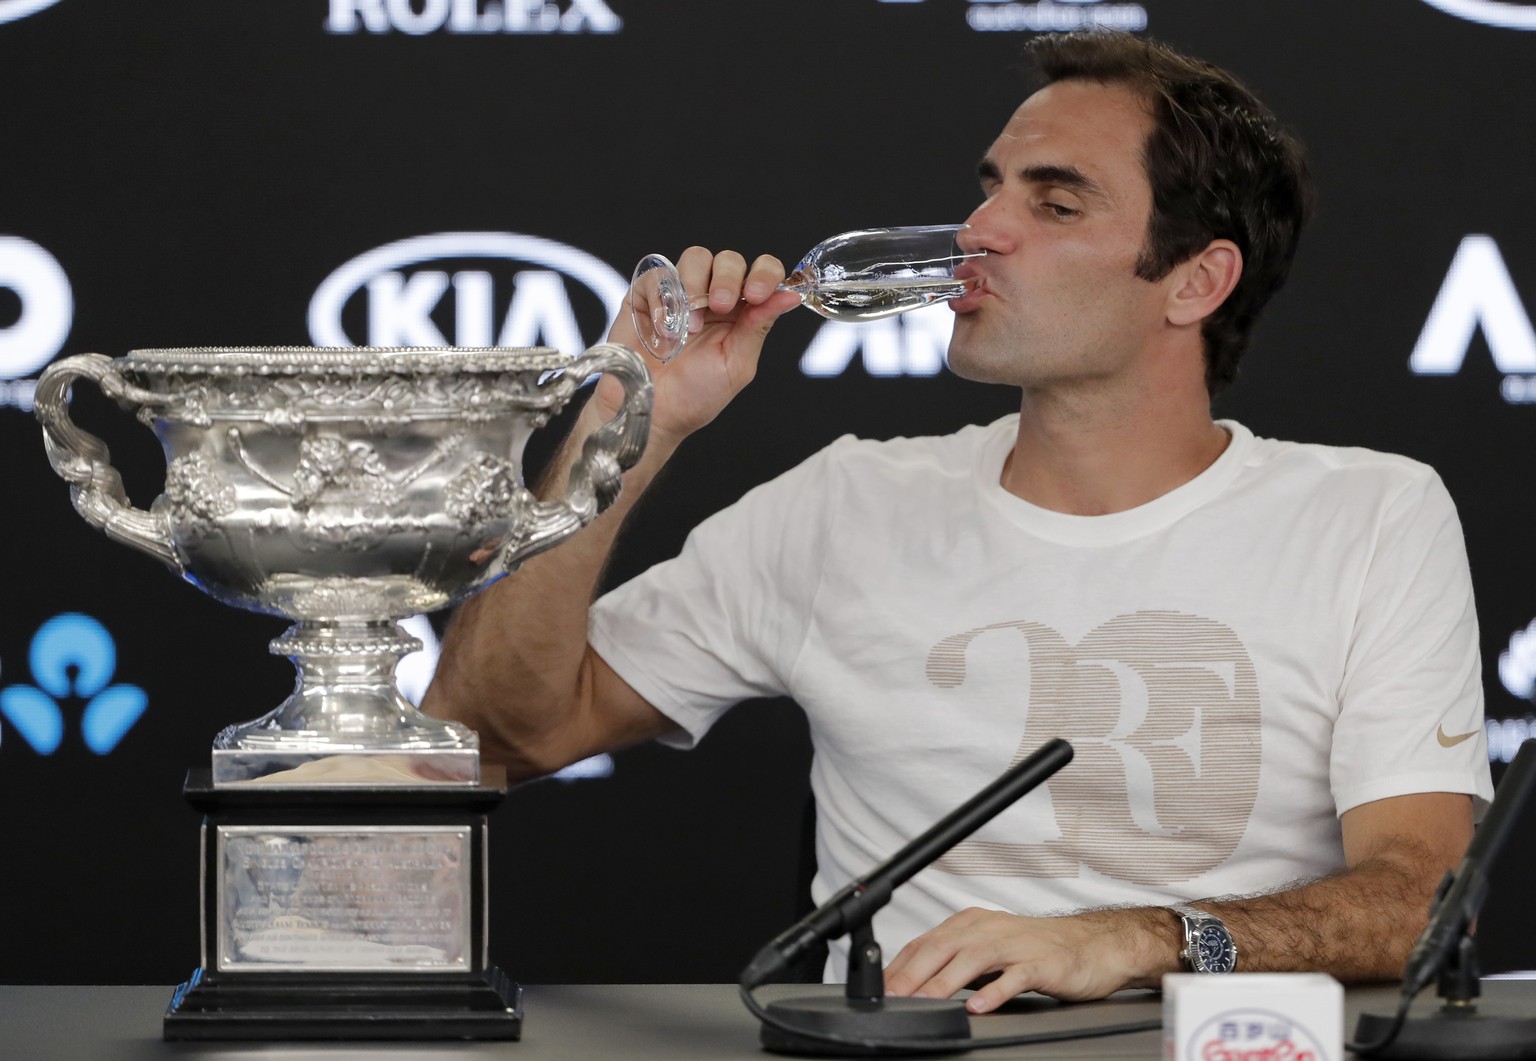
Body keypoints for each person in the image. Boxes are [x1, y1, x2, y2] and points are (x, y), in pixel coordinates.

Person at [422, 30, 1492, 1011]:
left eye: (1056, 204)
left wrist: (1135, 939)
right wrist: (628, 412)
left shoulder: (1370, 515)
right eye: (992, 190)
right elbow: (492, 737)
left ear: (1196, 280)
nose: (982, 232)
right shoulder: (845, 504)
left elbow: (1422, 900)